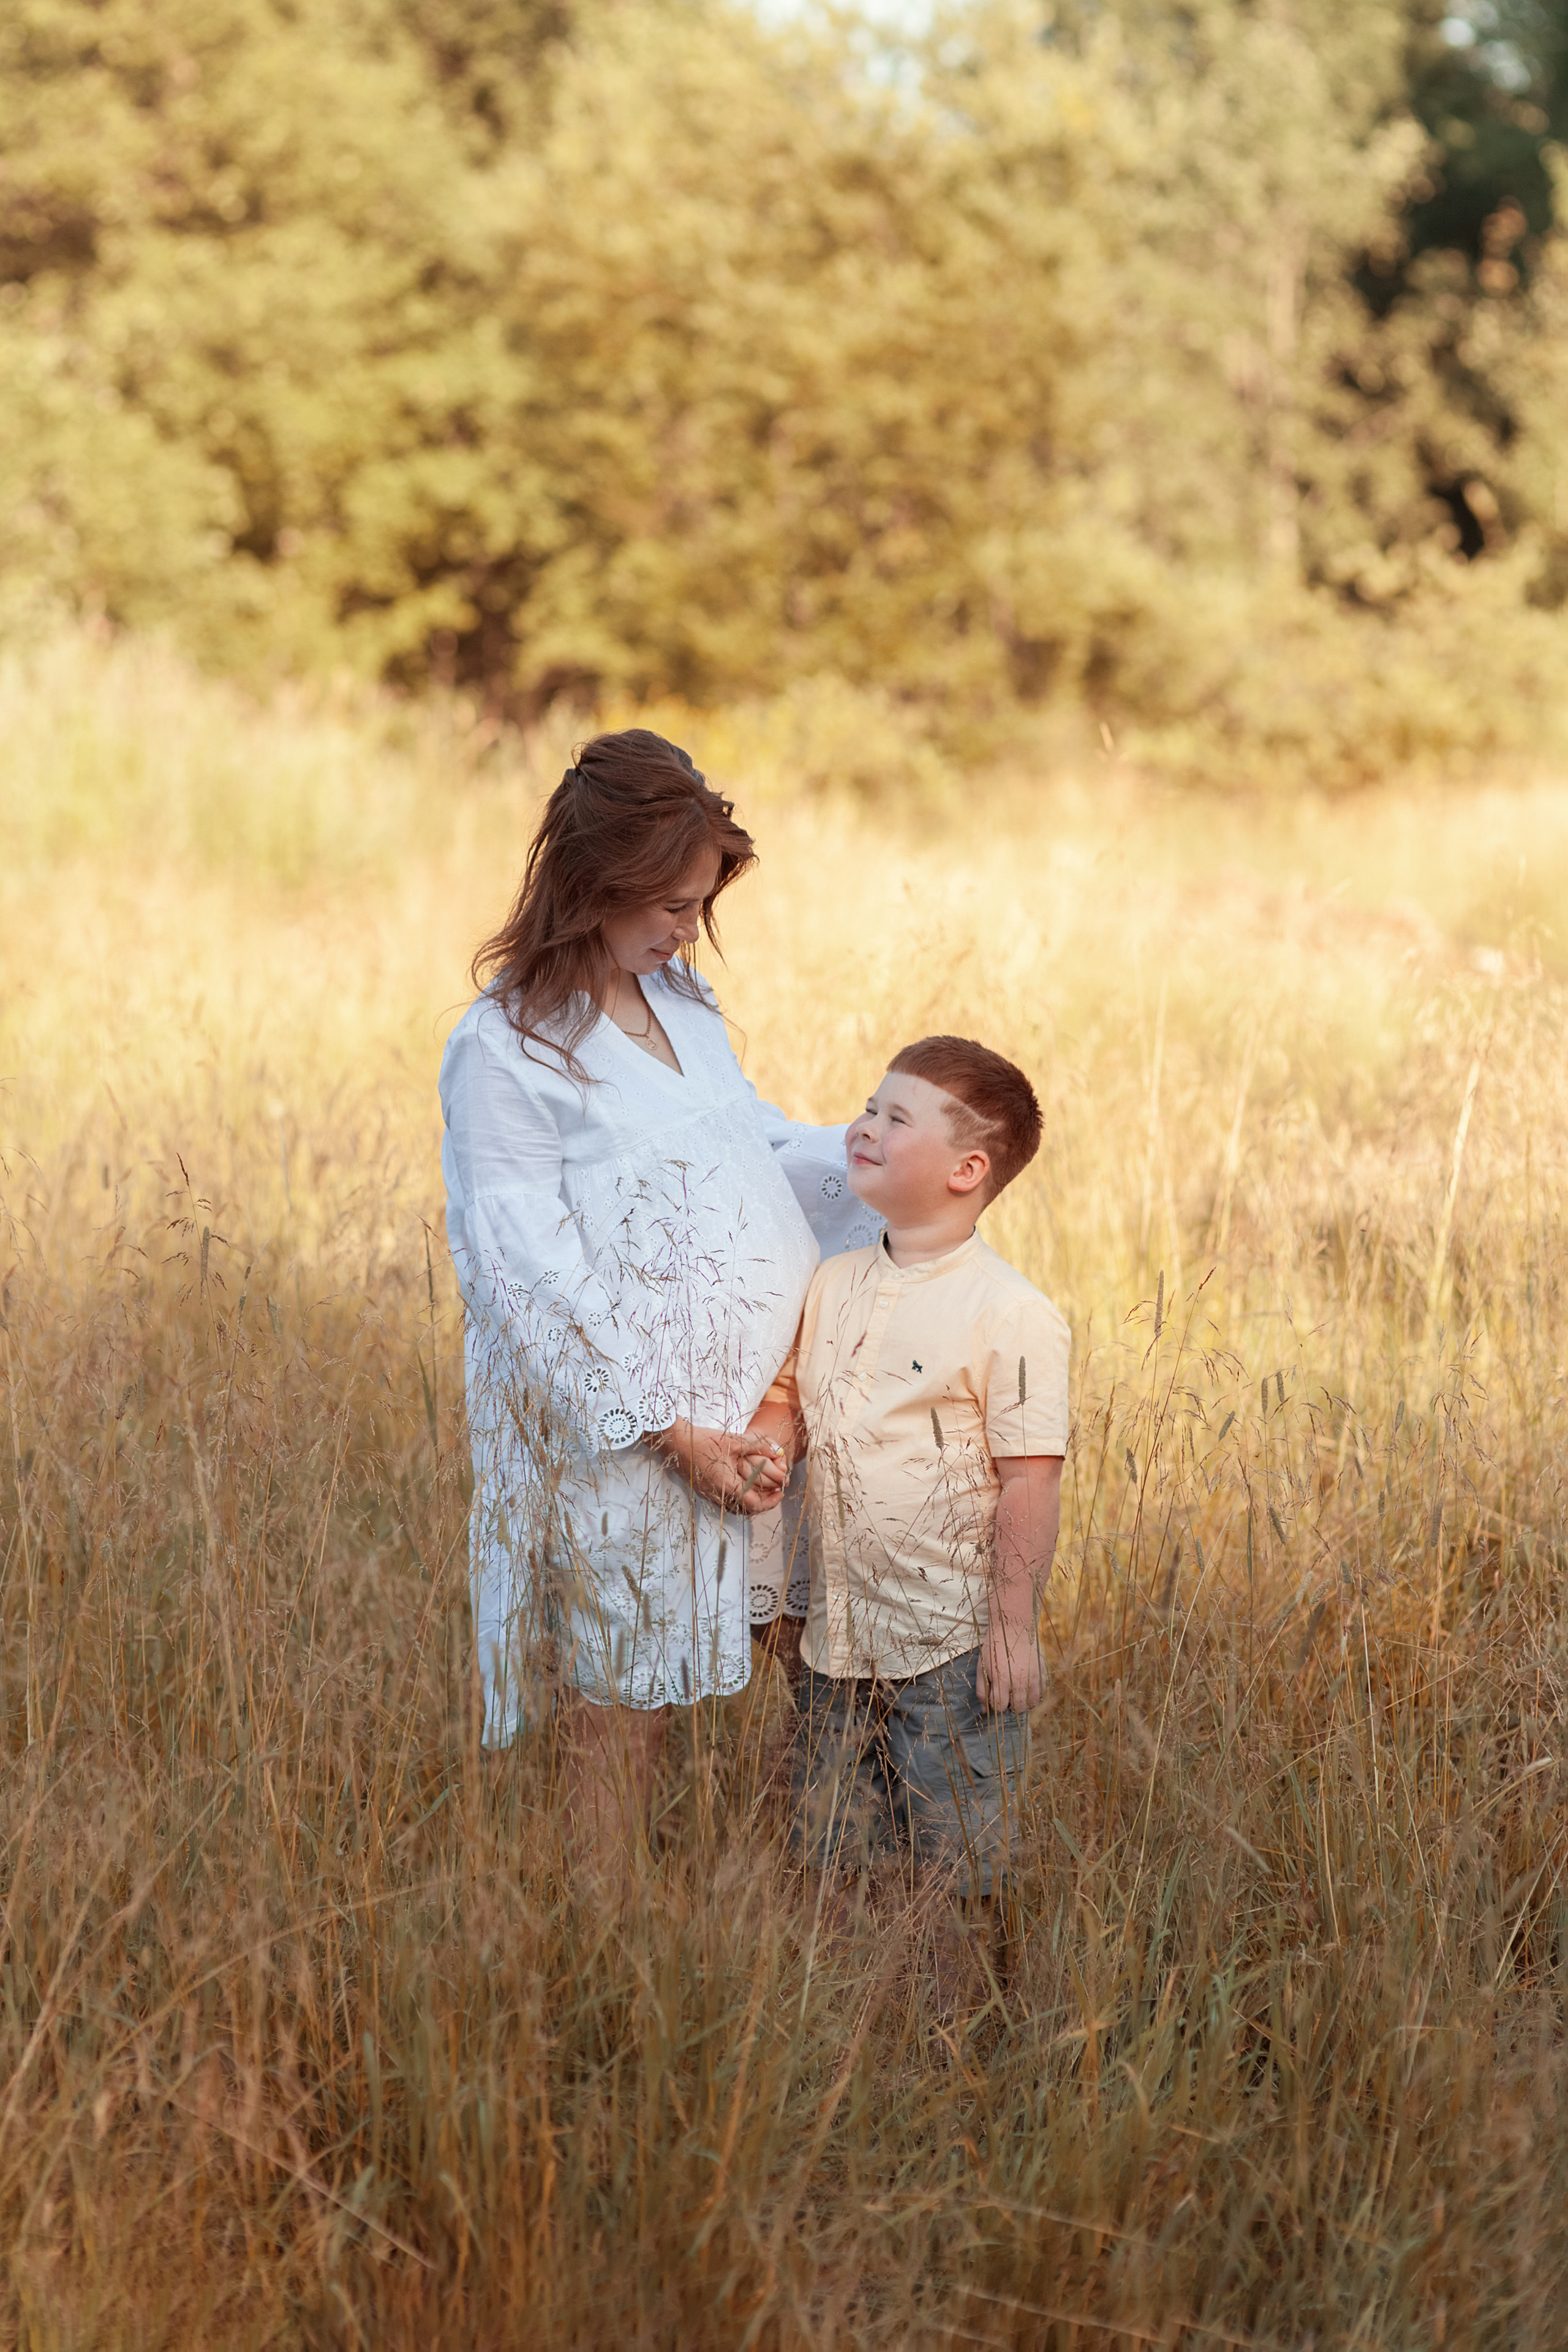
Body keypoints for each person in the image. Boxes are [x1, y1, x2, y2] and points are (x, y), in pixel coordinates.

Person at [438, 729, 878, 1871]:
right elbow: (525, 1266)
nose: (690, 927)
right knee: (621, 1705)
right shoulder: (511, 1050)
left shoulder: (680, 1000)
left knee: (800, 1650)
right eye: (673, 905)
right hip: (634, 1431)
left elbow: (747, 1148)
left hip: (750, 1414)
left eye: (699, 904)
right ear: (595, 885)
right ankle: (610, 1947)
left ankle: (806, 1886)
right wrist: (667, 1429)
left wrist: (883, 1172)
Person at [746, 1036, 1069, 1999]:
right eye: (869, 1107)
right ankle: (847, 2017)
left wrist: (1013, 1625)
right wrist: (768, 1444)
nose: (865, 1126)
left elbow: (1029, 1481)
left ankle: (949, 2039)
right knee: (830, 1847)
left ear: (969, 1170)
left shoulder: (1011, 1314)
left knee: (953, 1863)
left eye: (897, 1118)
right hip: (837, 1639)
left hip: (950, 1646)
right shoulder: (836, 1281)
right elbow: (791, 1397)